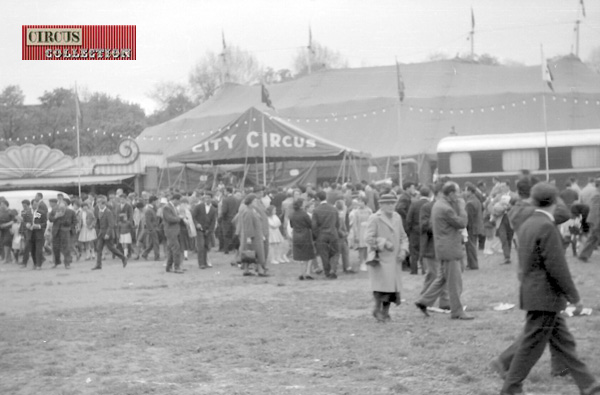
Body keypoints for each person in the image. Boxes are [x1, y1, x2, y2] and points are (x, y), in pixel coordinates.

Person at [496, 182, 600, 395]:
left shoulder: (526, 224)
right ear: (555, 202)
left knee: (564, 343)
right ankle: (511, 388)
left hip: (536, 293)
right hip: (546, 296)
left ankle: (589, 385)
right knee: (531, 347)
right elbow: (557, 266)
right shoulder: (546, 226)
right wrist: (575, 297)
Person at [415, 182, 474, 320]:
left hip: (443, 248)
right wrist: (462, 207)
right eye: (458, 193)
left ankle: (423, 301)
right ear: (451, 193)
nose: (459, 195)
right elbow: (461, 223)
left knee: (441, 279)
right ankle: (457, 311)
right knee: (454, 282)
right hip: (450, 249)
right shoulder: (445, 208)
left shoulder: (438, 205)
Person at [365, 193, 409, 322]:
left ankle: (386, 312)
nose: (391, 206)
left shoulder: (397, 217)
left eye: (393, 203)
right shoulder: (375, 218)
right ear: (381, 205)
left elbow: (403, 237)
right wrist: (383, 242)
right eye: (387, 203)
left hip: (395, 259)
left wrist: (403, 250)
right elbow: (368, 238)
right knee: (381, 288)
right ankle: (377, 310)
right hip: (380, 259)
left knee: (392, 289)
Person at [419, 183, 450, 310]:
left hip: (445, 246)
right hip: (431, 247)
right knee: (433, 275)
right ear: (437, 194)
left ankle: (445, 301)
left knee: (444, 275)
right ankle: (424, 299)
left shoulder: (449, 207)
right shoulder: (427, 207)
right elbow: (423, 227)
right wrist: (439, 224)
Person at [312, 191, 341, 279]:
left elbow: (314, 226)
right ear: (326, 197)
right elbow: (338, 223)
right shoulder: (334, 208)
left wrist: (316, 235)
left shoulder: (316, 210)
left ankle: (327, 272)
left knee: (324, 254)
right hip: (333, 233)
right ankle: (333, 269)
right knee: (336, 252)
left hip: (322, 234)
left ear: (317, 199)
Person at [92, 196, 127, 270]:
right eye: (97, 203)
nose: (98, 205)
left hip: (108, 233)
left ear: (104, 204)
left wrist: (108, 234)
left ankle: (123, 257)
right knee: (99, 249)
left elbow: (111, 224)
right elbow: (98, 222)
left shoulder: (108, 212)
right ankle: (98, 264)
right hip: (101, 233)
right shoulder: (100, 211)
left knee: (111, 248)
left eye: (99, 203)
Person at [239, 193, 268, 276]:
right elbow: (249, 225)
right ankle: (260, 270)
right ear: (250, 202)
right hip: (253, 236)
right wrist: (249, 237)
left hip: (255, 235)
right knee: (258, 253)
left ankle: (247, 270)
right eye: (254, 201)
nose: (256, 202)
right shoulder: (248, 211)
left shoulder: (251, 210)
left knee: (250, 253)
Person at [405, 186, 431, 274]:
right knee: (425, 250)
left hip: (414, 230)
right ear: (429, 194)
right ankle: (425, 269)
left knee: (414, 251)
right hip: (427, 231)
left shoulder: (414, 204)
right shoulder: (431, 205)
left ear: (420, 194)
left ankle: (414, 269)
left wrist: (409, 230)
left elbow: (409, 218)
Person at [289, 198, 316, 280]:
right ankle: (307, 272)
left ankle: (301, 272)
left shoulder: (292, 214)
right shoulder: (304, 214)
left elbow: (291, 225)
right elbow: (310, 224)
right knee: (309, 254)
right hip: (305, 235)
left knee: (299, 255)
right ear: (301, 205)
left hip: (296, 235)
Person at [49, 200, 77, 269]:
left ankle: (67, 263)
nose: (61, 208)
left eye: (63, 207)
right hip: (56, 231)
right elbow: (50, 219)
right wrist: (55, 216)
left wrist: (70, 227)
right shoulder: (54, 210)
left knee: (66, 248)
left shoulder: (71, 212)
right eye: (60, 207)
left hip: (66, 231)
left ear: (66, 206)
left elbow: (75, 221)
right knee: (55, 248)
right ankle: (56, 262)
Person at [192, 192, 217, 269]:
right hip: (199, 229)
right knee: (201, 246)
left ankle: (205, 262)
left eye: (209, 198)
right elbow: (193, 217)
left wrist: (210, 230)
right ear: (203, 198)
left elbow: (213, 221)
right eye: (205, 198)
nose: (207, 199)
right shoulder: (198, 207)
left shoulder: (214, 209)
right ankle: (201, 263)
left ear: (211, 199)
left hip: (208, 230)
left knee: (206, 246)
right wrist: (196, 224)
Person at [578, 178, 600, 262]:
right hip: (596, 220)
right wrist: (596, 223)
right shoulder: (597, 195)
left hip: (596, 220)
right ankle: (583, 255)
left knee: (593, 238)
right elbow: (595, 210)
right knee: (593, 238)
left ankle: (583, 255)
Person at [349, 196, 372, 272]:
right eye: (359, 201)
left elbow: (372, 221)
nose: (360, 203)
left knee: (367, 247)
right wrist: (355, 234)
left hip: (367, 230)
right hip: (360, 230)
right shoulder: (356, 212)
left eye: (361, 201)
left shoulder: (369, 211)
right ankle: (362, 262)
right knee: (361, 247)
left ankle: (366, 260)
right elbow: (354, 223)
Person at [163, 194, 184, 273]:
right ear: (175, 199)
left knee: (171, 249)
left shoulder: (172, 207)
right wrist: (179, 218)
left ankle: (169, 267)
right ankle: (176, 267)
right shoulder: (167, 207)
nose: (179, 203)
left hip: (174, 231)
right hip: (170, 231)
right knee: (176, 248)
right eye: (179, 201)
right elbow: (169, 218)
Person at [464, 182, 483, 270]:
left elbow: (469, 218)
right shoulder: (477, 200)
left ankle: (473, 264)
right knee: (473, 245)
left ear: (470, 191)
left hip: (471, 228)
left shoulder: (469, 203)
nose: (465, 192)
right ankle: (471, 263)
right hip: (476, 226)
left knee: (470, 246)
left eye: (466, 190)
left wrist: (466, 228)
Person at [141, 196, 161, 261]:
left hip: (154, 227)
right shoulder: (149, 210)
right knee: (156, 243)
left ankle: (144, 254)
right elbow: (148, 221)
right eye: (156, 201)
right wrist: (151, 229)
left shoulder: (152, 208)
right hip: (152, 228)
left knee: (152, 243)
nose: (156, 202)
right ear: (153, 201)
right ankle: (157, 257)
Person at [29, 199, 47, 269]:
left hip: (39, 233)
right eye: (34, 204)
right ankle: (35, 263)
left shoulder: (41, 212)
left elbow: (45, 223)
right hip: (30, 233)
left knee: (38, 249)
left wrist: (38, 226)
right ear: (32, 204)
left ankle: (39, 265)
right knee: (32, 249)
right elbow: (23, 222)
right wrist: (26, 225)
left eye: (37, 204)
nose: (36, 205)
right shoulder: (28, 213)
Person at [19, 199, 33, 267]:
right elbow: (22, 222)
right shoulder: (22, 211)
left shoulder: (31, 211)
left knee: (27, 247)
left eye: (25, 205)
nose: (23, 206)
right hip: (24, 230)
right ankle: (42, 258)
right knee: (28, 246)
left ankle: (24, 262)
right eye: (23, 205)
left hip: (29, 230)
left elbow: (31, 220)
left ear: (28, 205)